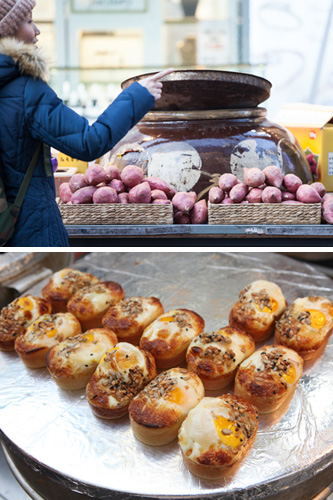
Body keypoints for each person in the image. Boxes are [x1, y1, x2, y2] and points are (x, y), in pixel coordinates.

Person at [0, 0, 174, 247]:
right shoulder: (27, 91)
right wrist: (138, 95)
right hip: (29, 230)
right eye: (28, 21)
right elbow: (88, 142)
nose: (37, 30)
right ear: (7, 33)